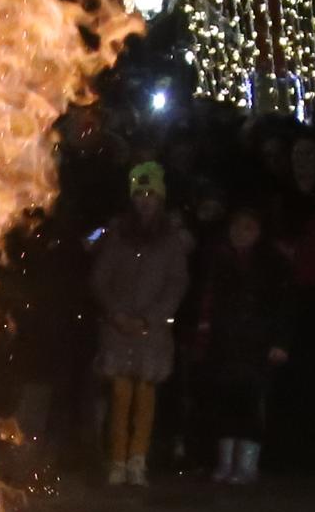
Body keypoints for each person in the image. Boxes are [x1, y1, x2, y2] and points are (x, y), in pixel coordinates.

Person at [85, 161, 191, 488]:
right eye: (140, 193)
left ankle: (137, 460)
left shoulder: (171, 239)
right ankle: (117, 460)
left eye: (151, 194)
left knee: (145, 395)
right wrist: (116, 313)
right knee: (120, 394)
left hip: (151, 331)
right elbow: (100, 277)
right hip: (118, 329)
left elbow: (176, 283)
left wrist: (151, 317)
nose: (145, 200)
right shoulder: (116, 233)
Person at [192, 206, 296, 486]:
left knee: (251, 403)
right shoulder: (219, 260)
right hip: (225, 343)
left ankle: (247, 462)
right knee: (225, 400)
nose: (240, 233)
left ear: (259, 232)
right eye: (236, 227)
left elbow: (283, 307)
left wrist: (280, 341)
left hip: (257, 345)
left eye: (248, 227)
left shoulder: (274, 264)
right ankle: (226, 460)